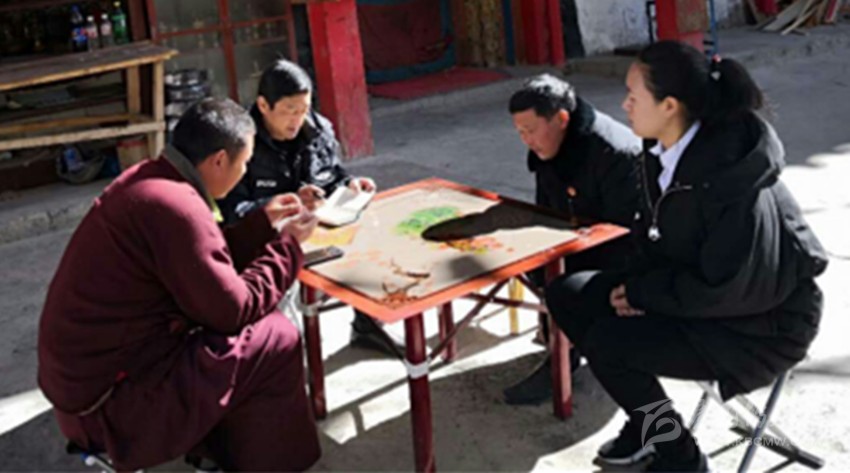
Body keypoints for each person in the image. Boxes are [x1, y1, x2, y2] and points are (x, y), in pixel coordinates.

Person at [546, 41, 828, 471]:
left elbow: (725, 287)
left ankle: (682, 458)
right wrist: (634, 286)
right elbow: (656, 237)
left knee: (609, 344)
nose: (624, 105)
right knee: (568, 293)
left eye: (633, 96)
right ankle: (649, 421)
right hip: (696, 294)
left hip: (760, 326)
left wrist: (641, 293)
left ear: (669, 106)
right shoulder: (662, 151)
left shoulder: (728, 181)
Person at [38, 98, 322, 472]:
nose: (245, 172)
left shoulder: (152, 179)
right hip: (108, 409)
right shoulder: (176, 206)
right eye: (244, 163)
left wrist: (261, 225)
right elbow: (233, 310)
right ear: (219, 160)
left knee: (225, 338)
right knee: (274, 337)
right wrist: (288, 247)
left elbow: (201, 263)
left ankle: (218, 451)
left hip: (82, 391)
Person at [217, 59, 404, 355]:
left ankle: (368, 324)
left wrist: (351, 185)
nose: (297, 120)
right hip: (269, 242)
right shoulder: (241, 143)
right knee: (286, 333)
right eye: (289, 111)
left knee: (375, 240)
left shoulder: (318, 129)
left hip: (320, 229)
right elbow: (232, 211)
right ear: (263, 106)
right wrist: (288, 204)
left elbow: (332, 176)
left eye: (303, 109)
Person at [503, 74, 641, 405]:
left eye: (530, 130)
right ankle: (559, 340)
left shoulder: (614, 153)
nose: (526, 140)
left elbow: (625, 231)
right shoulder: (549, 145)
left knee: (565, 284)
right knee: (529, 259)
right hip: (576, 234)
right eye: (519, 132)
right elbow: (546, 207)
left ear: (562, 119)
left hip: (621, 249)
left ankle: (564, 357)